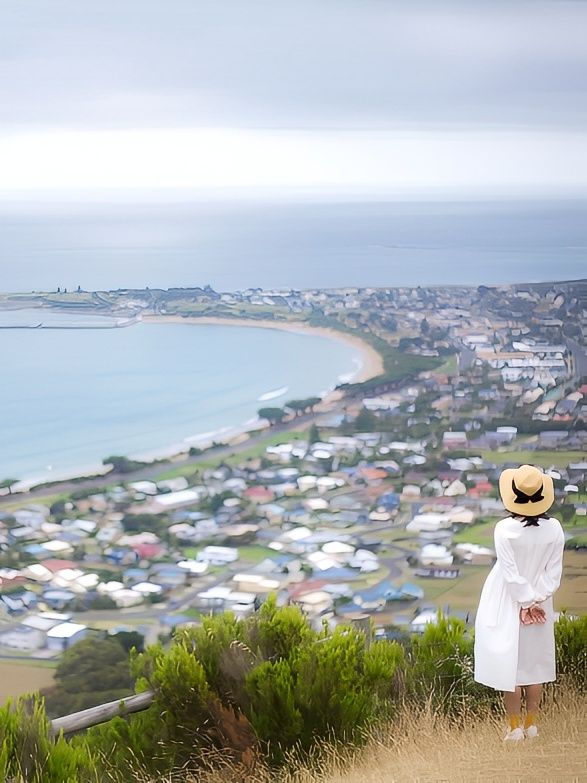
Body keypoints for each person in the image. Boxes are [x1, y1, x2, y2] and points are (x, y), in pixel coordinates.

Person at [474, 464, 565, 741]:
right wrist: (536, 599)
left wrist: (524, 602)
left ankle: (513, 728)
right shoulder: (555, 529)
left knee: (509, 665)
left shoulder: (504, 529)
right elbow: (554, 574)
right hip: (541, 602)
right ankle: (531, 724)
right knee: (533, 664)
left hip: (507, 600)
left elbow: (510, 572)